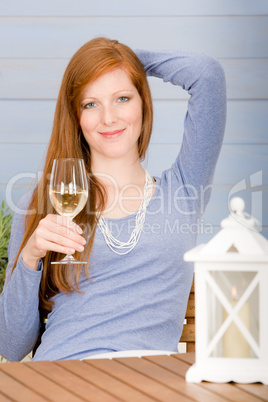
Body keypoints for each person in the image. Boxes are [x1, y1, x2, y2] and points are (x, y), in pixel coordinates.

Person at [0, 37, 226, 361]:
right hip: (60, 375)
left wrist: (129, 59)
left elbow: (207, 75)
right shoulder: (45, 200)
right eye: (91, 103)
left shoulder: (184, 191)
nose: (108, 118)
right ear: (76, 117)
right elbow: (10, 346)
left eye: (122, 98)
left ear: (143, 103)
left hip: (146, 383)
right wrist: (30, 256)